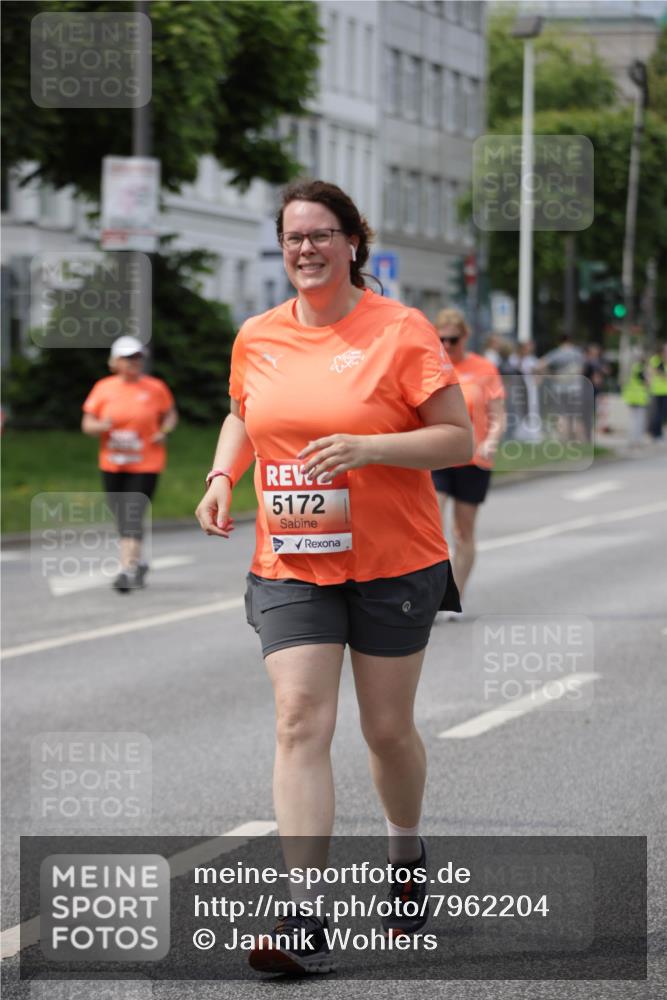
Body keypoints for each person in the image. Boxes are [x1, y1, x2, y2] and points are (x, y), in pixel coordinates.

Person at [195, 179, 473, 974]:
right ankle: (304, 913)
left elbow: (453, 438)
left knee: (385, 731)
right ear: (280, 248)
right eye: (293, 238)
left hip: (394, 559)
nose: (306, 249)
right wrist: (221, 477)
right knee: (297, 719)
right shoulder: (258, 334)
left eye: (321, 235)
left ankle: (404, 854)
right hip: (291, 559)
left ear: (354, 241)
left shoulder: (401, 330)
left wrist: (370, 447)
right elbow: (245, 412)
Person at [82, 335, 177, 592]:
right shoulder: (103, 388)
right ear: (114, 362)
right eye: (127, 358)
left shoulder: (155, 387)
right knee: (121, 516)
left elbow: (170, 414)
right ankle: (139, 560)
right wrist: (101, 426)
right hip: (113, 464)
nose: (133, 362)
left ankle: (127, 569)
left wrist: (164, 430)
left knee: (132, 514)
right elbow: (87, 424)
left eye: (137, 357)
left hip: (146, 463)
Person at [430, 309, 506, 613]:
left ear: (465, 337)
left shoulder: (483, 368)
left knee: (463, 532)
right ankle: (433, 597)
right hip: (439, 455)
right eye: (441, 339)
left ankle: (455, 596)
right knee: (433, 526)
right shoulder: (432, 367)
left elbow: (498, 417)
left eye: (453, 339)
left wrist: (491, 442)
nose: (447, 346)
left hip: (474, 460)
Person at [621, 349, 649, 448]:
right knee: (639, 420)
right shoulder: (641, 368)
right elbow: (646, 382)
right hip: (639, 397)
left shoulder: (632, 367)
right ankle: (636, 441)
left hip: (631, 397)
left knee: (633, 420)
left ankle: (632, 440)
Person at [648, 343, 667, 441]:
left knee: (663, 414)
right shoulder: (656, 359)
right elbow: (655, 371)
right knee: (656, 413)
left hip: (665, 391)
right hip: (656, 391)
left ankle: (659, 433)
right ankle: (654, 433)